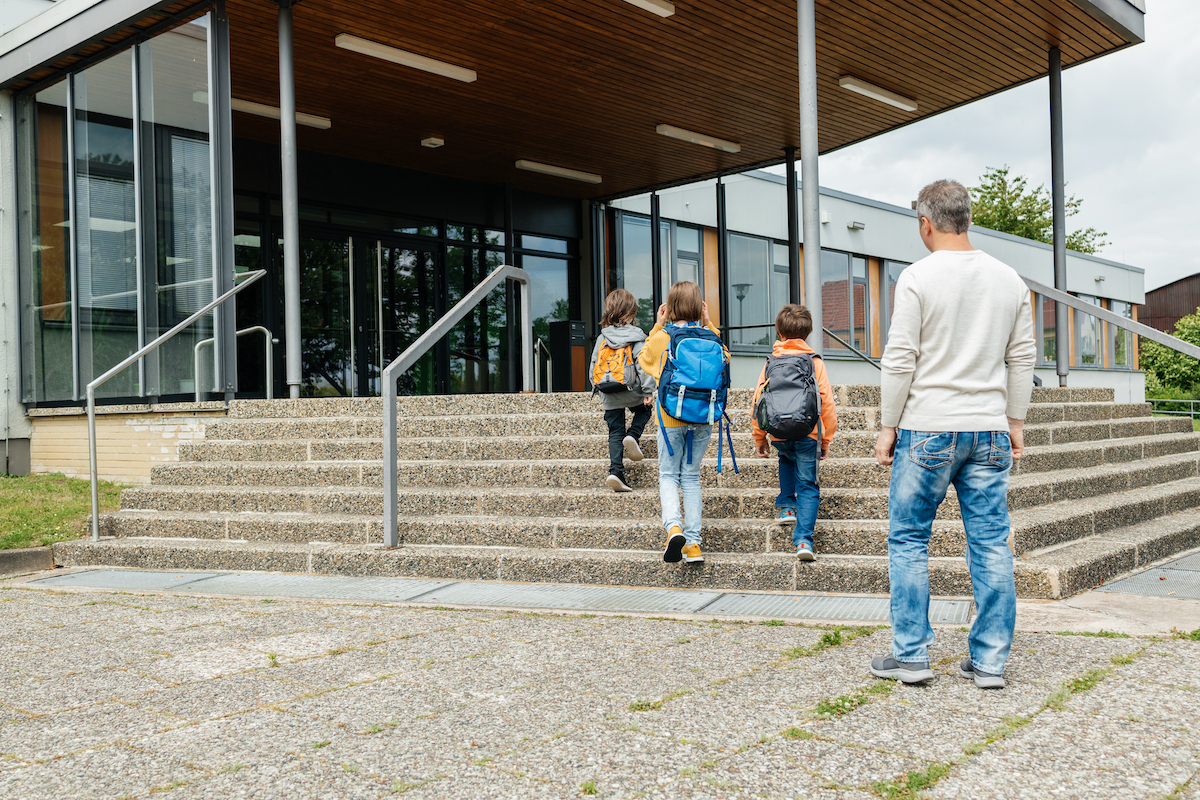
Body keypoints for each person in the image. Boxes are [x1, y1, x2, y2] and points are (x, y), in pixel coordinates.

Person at [870, 179, 1036, 689]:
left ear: (926, 222)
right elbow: (1022, 356)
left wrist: (887, 425)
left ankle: (912, 656)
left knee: (909, 539)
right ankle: (989, 663)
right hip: (988, 427)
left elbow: (901, 359)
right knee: (990, 543)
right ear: (967, 217)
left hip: (928, 428)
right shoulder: (1010, 279)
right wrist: (1014, 421)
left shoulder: (918, 278)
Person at [639, 281, 724, 564]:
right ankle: (695, 545)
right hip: (704, 417)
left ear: (670, 307)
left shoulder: (665, 337)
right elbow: (726, 360)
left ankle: (674, 528)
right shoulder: (711, 338)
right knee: (691, 478)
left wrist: (656, 326)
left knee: (667, 476)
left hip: (671, 418)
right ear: (700, 307)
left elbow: (645, 359)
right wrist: (710, 325)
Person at [751, 304, 837, 561]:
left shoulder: (771, 363)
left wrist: (760, 437)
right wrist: (826, 439)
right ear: (808, 333)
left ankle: (787, 506)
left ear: (779, 332)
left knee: (786, 460)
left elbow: (758, 401)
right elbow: (827, 403)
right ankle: (803, 542)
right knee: (809, 485)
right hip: (808, 431)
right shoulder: (814, 362)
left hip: (778, 432)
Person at [589, 289, 656, 492]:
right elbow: (642, 366)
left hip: (608, 391)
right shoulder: (637, 336)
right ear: (632, 313)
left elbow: (593, 365)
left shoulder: (602, 338)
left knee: (615, 432)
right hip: (632, 388)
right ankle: (634, 435)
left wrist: (597, 388)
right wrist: (648, 391)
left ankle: (616, 471)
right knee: (644, 411)